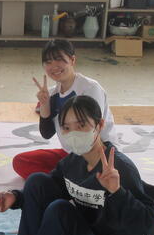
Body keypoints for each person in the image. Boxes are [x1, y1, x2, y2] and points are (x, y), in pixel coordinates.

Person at [0, 95, 154, 235]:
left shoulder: (120, 169)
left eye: (81, 125)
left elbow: (153, 228)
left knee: (60, 210)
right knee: (37, 181)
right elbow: (47, 188)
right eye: (67, 128)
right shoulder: (73, 162)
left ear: (99, 125)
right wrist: (15, 197)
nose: (74, 134)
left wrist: (118, 193)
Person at [12, 38, 116, 179]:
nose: (54, 66)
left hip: (97, 155)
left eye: (59, 59)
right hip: (71, 154)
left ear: (72, 60)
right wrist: (45, 105)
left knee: (91, 175)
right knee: (21, 162)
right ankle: (69, 180)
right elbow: (46, 134)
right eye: (48, 62)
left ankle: (68, 180)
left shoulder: (90, 88)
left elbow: (93, 133)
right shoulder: (53, 93)